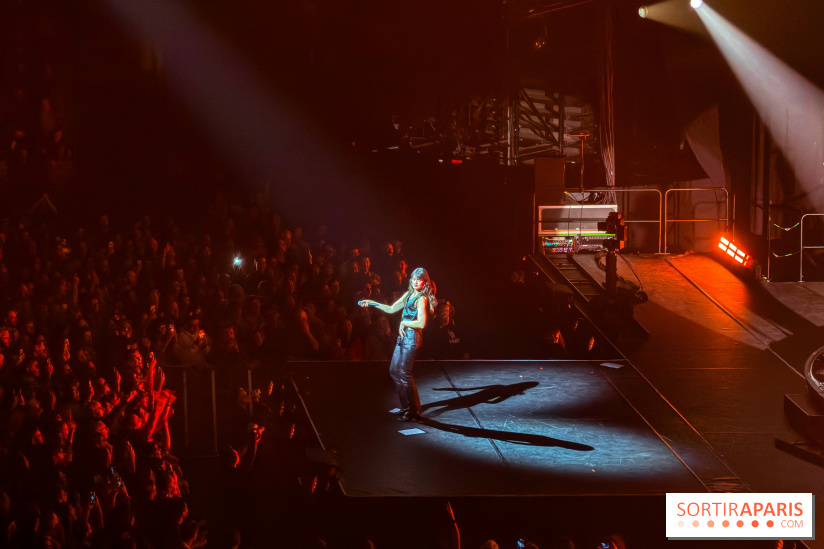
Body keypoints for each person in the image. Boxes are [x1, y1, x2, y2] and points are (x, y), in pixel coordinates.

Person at [360, 267, 436, 422]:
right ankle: (406, 406)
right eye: (414, 279)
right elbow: (391, 308)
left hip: (412, 337)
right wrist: (373, 303)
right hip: (403, 337)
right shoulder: (409, 294)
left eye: (419, 280)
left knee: (405, 373)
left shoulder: (421, 299)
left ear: (424, 282)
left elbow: (422, 322)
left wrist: (404, 323)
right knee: (394, 370)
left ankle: (414, 410)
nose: (416, 282)